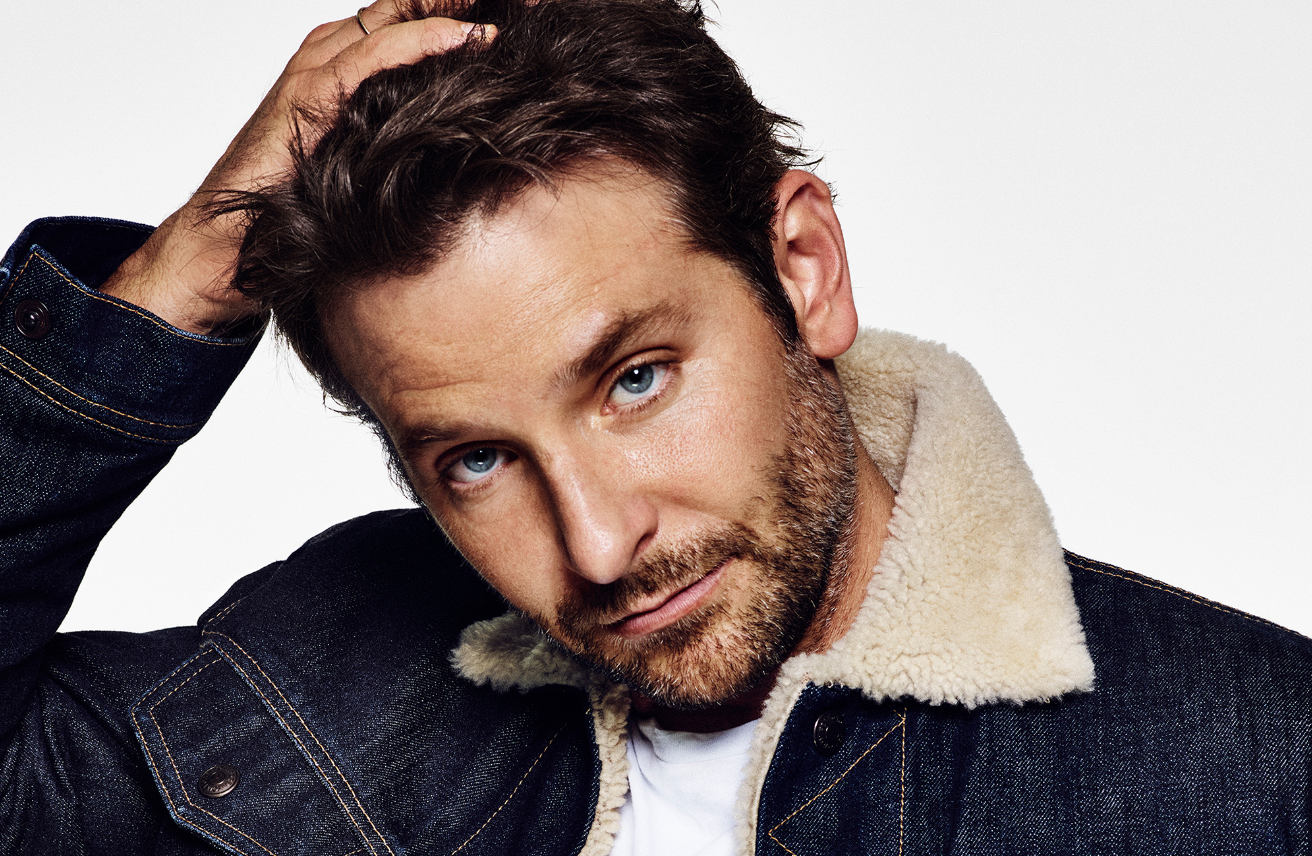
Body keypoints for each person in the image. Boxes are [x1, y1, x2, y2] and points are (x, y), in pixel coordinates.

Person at [1, 2, 1308, 855]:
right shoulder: (315, 681)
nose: (603, 541)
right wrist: (177, 281)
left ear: (802, 267)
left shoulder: (1252, 765)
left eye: (635, 379)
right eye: (475, 459)